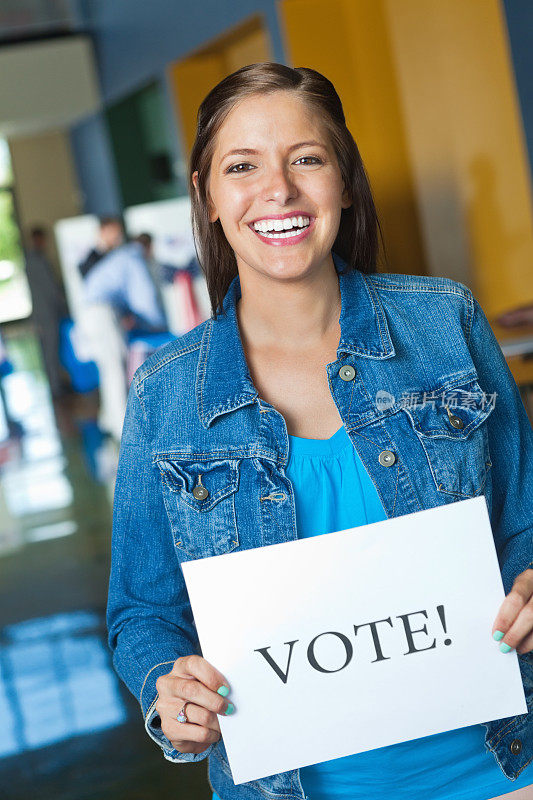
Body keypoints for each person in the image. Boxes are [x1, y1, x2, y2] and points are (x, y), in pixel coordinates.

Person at [107, 63, 533, 800]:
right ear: (207, 194)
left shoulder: (445, 323)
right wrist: (165, 689)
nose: (278, 190)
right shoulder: (165, 393)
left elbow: (525, 523)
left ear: (343, 179)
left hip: (504, 768)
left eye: (306, 158)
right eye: (242, 166)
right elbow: (143, 613)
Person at [24, 226, 67, 398]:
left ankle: (57, 384)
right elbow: (50, 290)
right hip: (46, 314)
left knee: (52, 350)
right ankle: (55, 387)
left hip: (46, 313)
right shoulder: (35, 261)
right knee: (50, 351)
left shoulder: (35, 259)